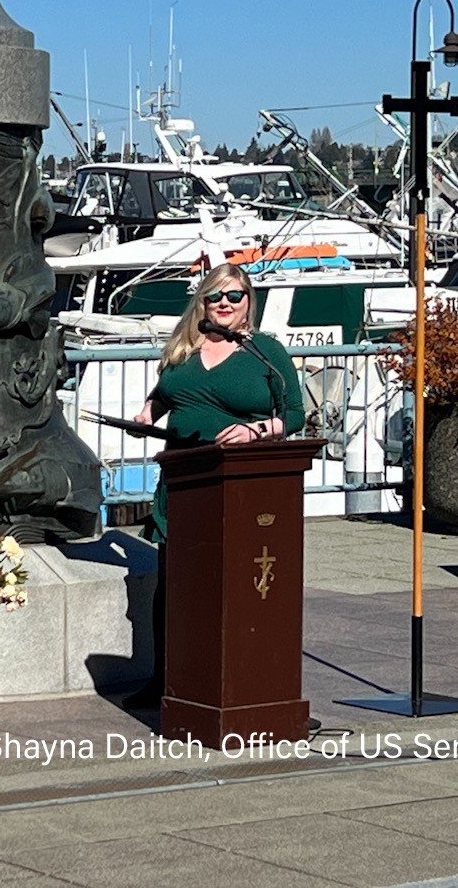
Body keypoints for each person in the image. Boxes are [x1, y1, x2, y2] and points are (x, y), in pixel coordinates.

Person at [125, 263, 305, 704]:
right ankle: (166, 677)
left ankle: (230, 676)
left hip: (239, 487)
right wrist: (148, 415)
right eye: (215, 297)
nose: (224, 304)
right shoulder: (183, 348)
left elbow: (295, 415)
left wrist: (256, 430)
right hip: (182, 480)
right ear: (202, 302)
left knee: (226, 583)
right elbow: (165, 395)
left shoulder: (265, 352)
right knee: (174, 584)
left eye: (234, 297)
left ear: (247, 304)